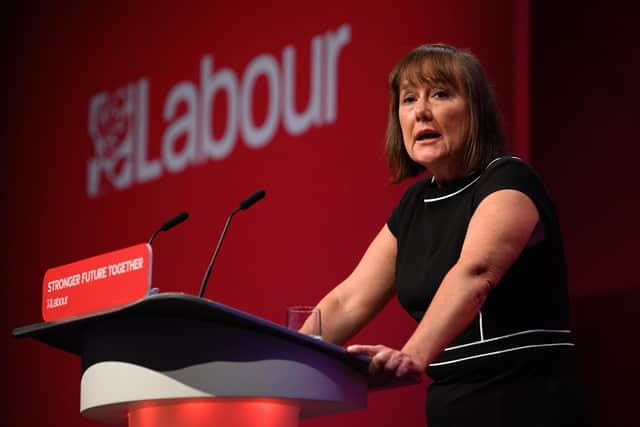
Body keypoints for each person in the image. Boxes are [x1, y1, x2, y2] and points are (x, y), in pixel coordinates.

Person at [306, 44, 585, 426]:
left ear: (475, 112)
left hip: (524, 401)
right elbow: (347, 300)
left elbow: (475, 273)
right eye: (408, 99)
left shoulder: (509, 181)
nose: (421, 111)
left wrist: (413, 355)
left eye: (439, 94)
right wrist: (289, 359)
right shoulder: (414, 205)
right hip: (452, 406)